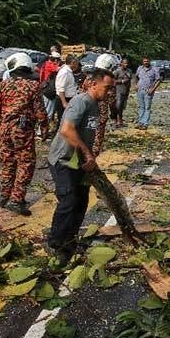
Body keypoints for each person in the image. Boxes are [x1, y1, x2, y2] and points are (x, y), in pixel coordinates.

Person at [46, 68, 116, 265]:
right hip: (64, 159)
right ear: (93, 84)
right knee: (68, 201)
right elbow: (67, 130)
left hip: (79, 162)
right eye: (107, 87)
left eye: (112, 88)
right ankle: (55, 243)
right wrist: (87, 152)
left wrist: (89, 156)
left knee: (81, 202)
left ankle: (69, 241)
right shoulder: (80, 101)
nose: (110, 92)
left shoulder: (95, 105)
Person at [0, 53, 48, 216]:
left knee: (8, 162)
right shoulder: (33, 86)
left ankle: (4, 195)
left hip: (4, 129)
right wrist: (44, 128)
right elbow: (40, 111)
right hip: (22, 131)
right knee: (26, 163)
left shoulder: (2, 86)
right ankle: (16, 199)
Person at [79, 54, 117, 153]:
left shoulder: (89, 78)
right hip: (99, 114)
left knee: (85, 135)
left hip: (86, 112)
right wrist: (114, 113)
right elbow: (112, 100)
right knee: (96, 139)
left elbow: (82, 93)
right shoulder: (109, 81)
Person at [133, 56, 161, 130]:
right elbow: (136, 77)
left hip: (148, 91)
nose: (146, 62)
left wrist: (153, 89)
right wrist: (135, 85)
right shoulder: (140, 68)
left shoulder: (154, 69)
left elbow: (158, 80)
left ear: (149, 61)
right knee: (141, 107)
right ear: (142, 62)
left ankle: (145, 123)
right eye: (144, 61)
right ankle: (140, 122)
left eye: (147, 61)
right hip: (140, 90)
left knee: (147, 107)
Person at [55, 53, 81, 121]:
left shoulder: (69, 71)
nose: (78, 65)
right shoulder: (65, 72)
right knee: (63, 121)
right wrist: (64, 103)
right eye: (77, 63)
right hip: (64, 99)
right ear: (73, 63)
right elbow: (61, 89)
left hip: (69, 99)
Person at [38, 50, 62, 122]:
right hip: (48, 89)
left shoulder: (46, 64)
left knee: (48, 108)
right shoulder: (49, 65)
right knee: (48, 109)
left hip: (46, 88)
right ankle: (46, 124)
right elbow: (58, 69)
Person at [112, 57, 133, 129]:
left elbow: (129, 80)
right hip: (118, 91)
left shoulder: (129, 71)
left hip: (126, 91)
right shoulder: (117, 71)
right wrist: (121, 81)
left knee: (122, 107)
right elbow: (112, 80)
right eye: (124, 63)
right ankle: (116, 121)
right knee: (117, 106)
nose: (126, 64)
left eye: (127, 63)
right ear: (121, 63)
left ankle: (120, 121)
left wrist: (129, 89)